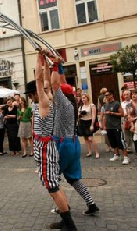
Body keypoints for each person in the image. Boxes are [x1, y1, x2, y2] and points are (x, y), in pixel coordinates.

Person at [27, 53, 77, 230]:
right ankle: (66, 218)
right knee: (54, 183)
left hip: (45, 147)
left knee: (52, 187)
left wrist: (39, 57)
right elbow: (46, 80)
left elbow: (39, 79)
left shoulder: (43, 102)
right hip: (49, 145)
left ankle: (70, 224)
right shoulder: (52, 98)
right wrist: (50, 65)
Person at [49, 56, 99, 224]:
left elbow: (56, 84)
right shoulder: (72, 102)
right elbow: (62, 82)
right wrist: (60, 66)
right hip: (73, 143)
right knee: (73, 178)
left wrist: (55, 65)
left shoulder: (62, 104)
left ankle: (64, 207)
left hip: (63, 145)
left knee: (53, 179)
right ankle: (91, 203)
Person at [103, 90, 130, 165]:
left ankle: (126, 157)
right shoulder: (106, 104)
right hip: (109, 126)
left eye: (107, 95)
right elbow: (105, 116)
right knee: (113, 142)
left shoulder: (116, 103)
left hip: (116, 126)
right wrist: (104, 125)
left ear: (111, 95)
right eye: (105, 95)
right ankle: (116, 154)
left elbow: (122, 114)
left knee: (120, 142)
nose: (106, 97)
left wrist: (112, 113)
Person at [78, 94, 100, 158]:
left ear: (87, 98)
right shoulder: (81, 106)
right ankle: (89, 151)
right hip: (82, 122)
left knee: (90, 138)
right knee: (85, 138)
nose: (83, 99)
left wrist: (92, 125)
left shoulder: (92, 105)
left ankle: (97, 152)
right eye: (82, 98)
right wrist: (80, 114)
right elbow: (78, 115)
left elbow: (93, 116)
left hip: (89, 122)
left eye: (84, 98)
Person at [126, 90, 137, 156]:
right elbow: (129, 117)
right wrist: (132, 125)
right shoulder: (129, 105)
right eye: (132, 94)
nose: (133, 95)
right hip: (135, 123)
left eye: (135, 94)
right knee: (136, 139)